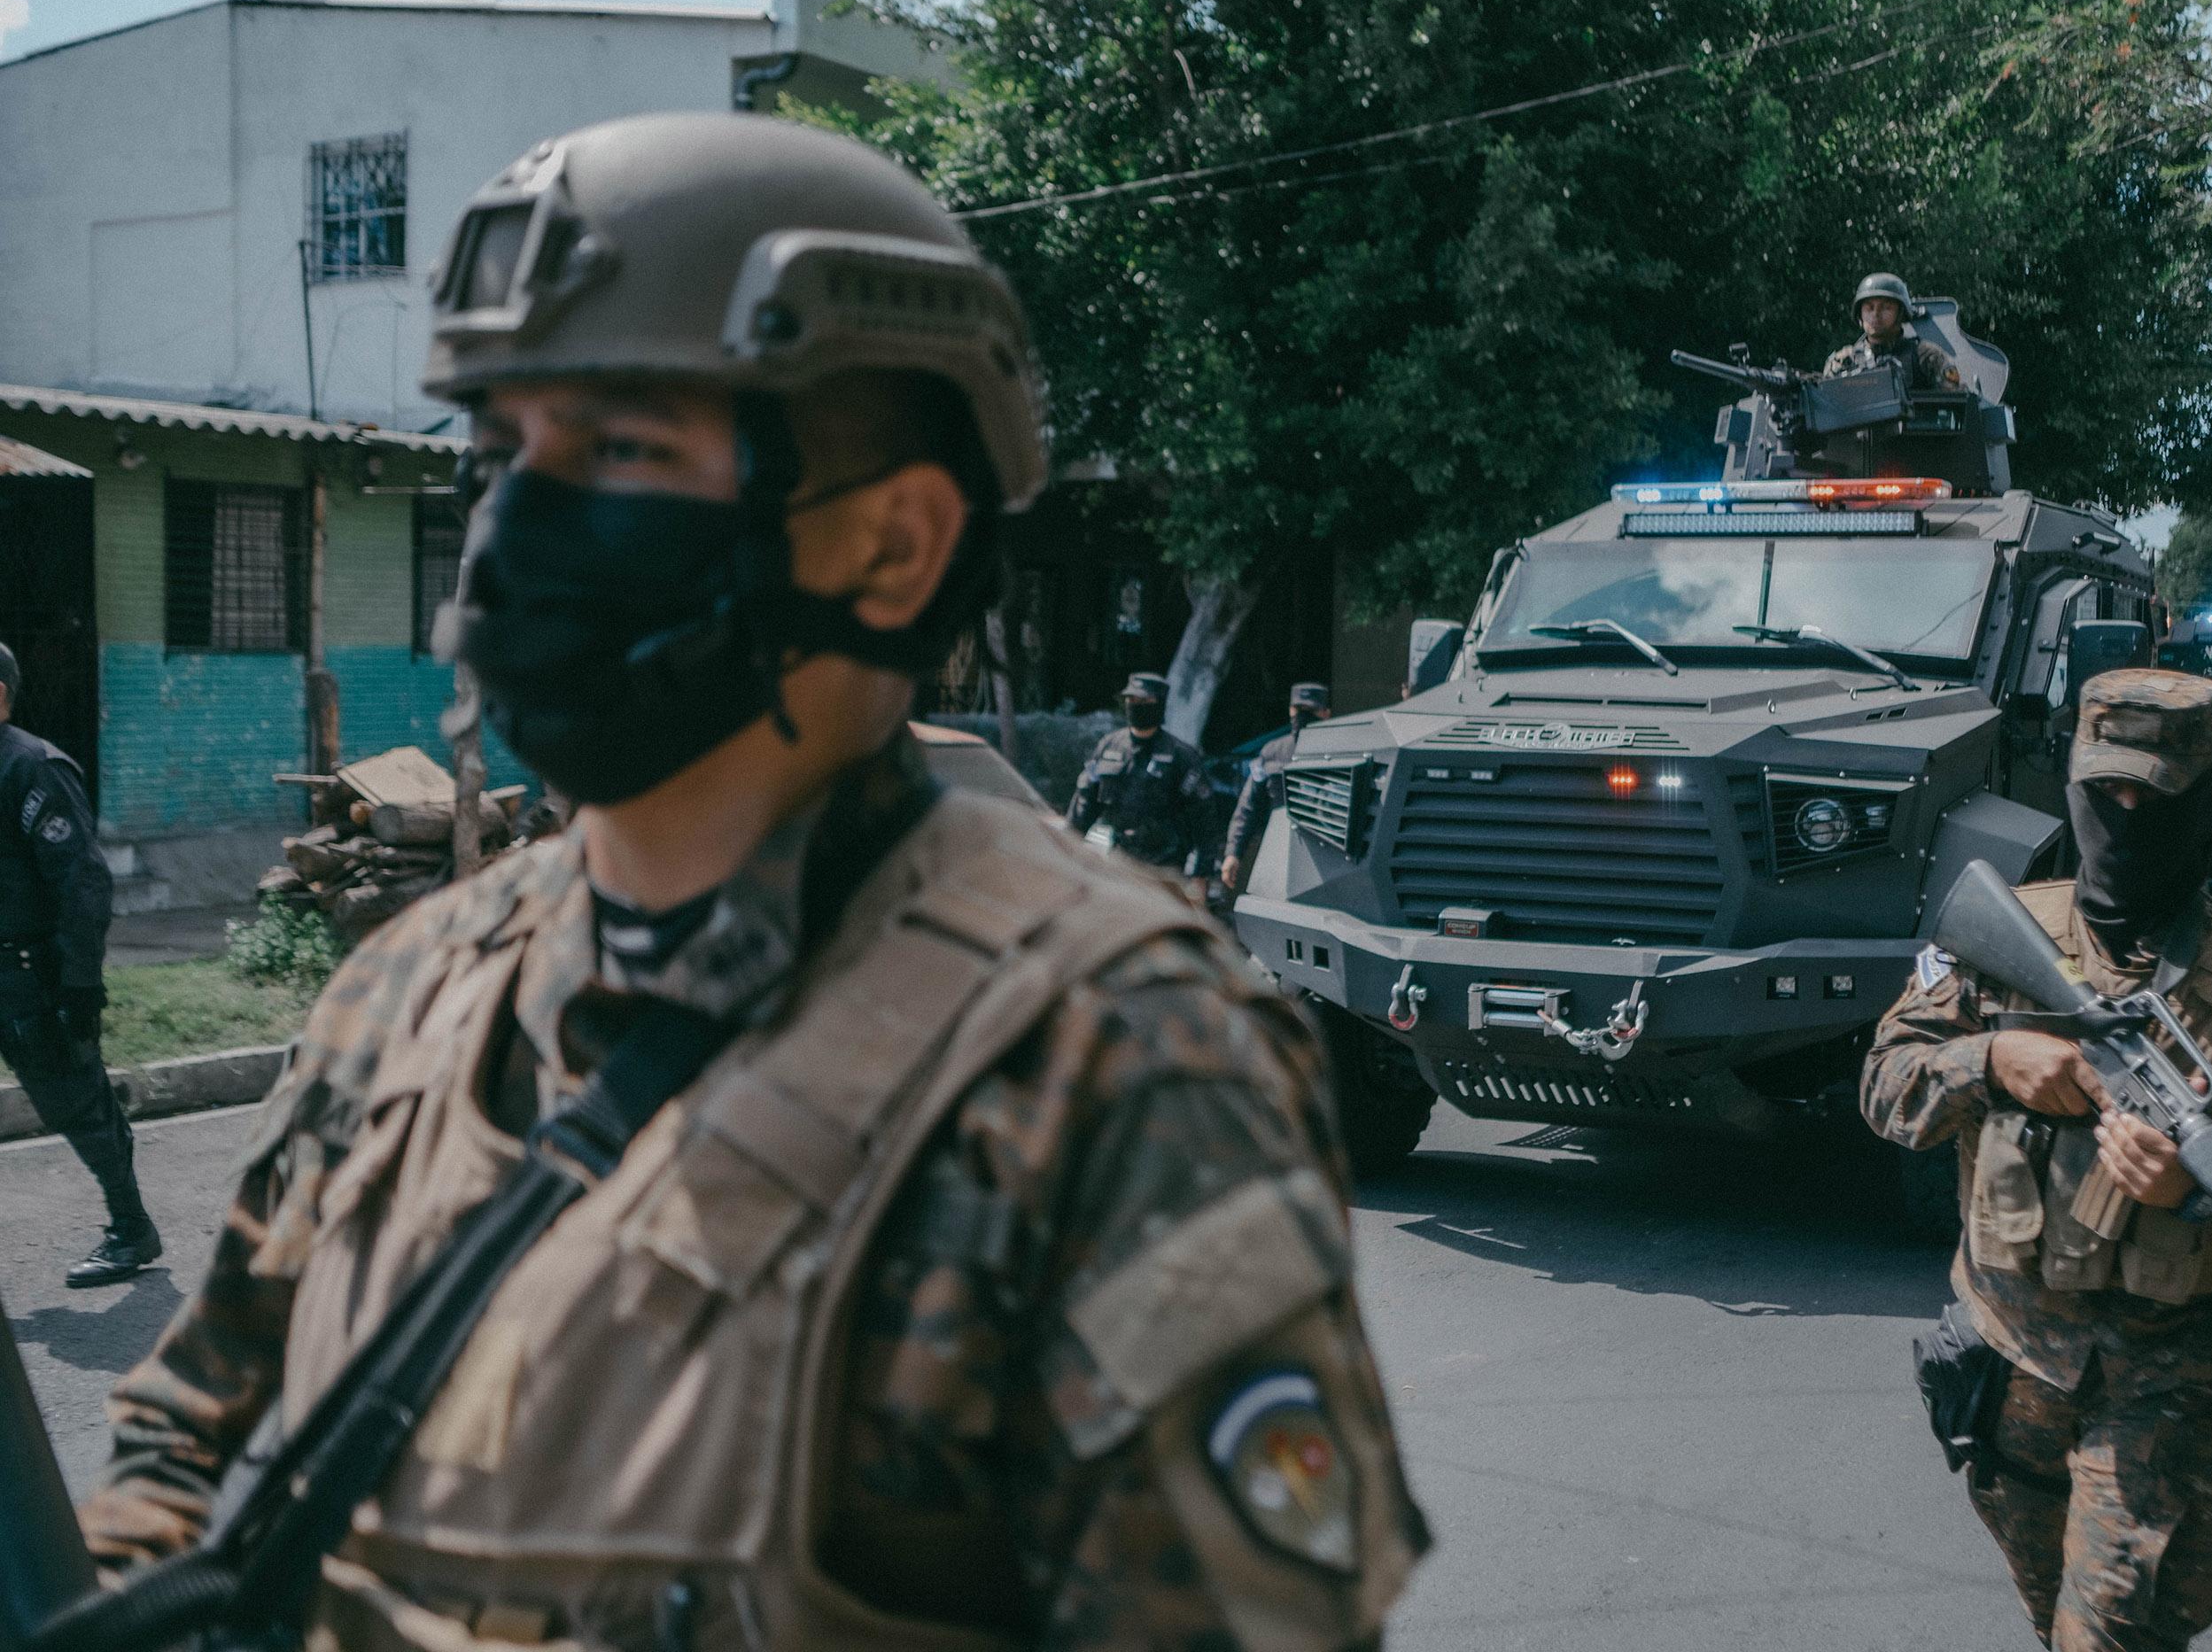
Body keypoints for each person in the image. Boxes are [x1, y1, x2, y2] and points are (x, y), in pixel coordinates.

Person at [79, 112, 1426, 1649]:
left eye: (625, 450)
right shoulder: (414, 990)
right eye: (499, 451)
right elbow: (181, 1428)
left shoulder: (1109, 1067)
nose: (515, 523)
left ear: (896, 546)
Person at [1866, 668, 2212, 1652]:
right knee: (2050, 1608)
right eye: (2108, 793)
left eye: (2156, 796)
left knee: (2113, 1631)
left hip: (2170, 1379)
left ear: (2204, 800)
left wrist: (2209, 1185)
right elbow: (1886, 1084)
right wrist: (1991, 1058)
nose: (2128, 815)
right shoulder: (2002, 935)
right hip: (2008, 1361)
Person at [0, 640, 158, 1287]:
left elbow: (84, 884)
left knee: (74, 1103)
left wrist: (80, 983)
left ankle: (131, 1230)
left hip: (28, 975)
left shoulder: (33, 769)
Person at [1067, 671, 1223, 881]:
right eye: (1132, 699)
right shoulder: (1109, 746)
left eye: (1145, 700)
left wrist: (1201, 877)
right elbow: (1084, 803)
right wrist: (1067, 852)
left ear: (1159, 704)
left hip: (1164, 868)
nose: (1136, 704)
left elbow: (1204, 820)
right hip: (1115, 861)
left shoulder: (1181, 756)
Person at [1221, 681, 1331, 895]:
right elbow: (1248, 806)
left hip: (1324, 858)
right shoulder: (1272, 752)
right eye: (1298, 709)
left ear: (1326, 713)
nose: (1303, 716)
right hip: (1277, 854)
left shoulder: (1340, 751)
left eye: (1310, 711)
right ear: (1290, 710)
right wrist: (1233, 852)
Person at [1821, 272, 1961, 389]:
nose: (1875, 314)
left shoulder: (1926, 357)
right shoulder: (1844, 362)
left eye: (1886, 307)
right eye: (1869, 308)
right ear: (1860, 314)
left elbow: (1957, 405)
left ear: (1901, 313)